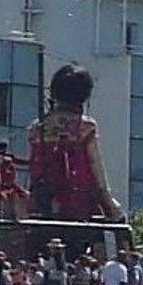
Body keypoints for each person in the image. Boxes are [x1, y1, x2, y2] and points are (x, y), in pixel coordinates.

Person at [27, 64, 123, 222]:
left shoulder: (37, 127)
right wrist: (109, 204)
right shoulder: (85, 127)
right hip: (78, 202)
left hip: (40, 200)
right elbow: (96, 169)